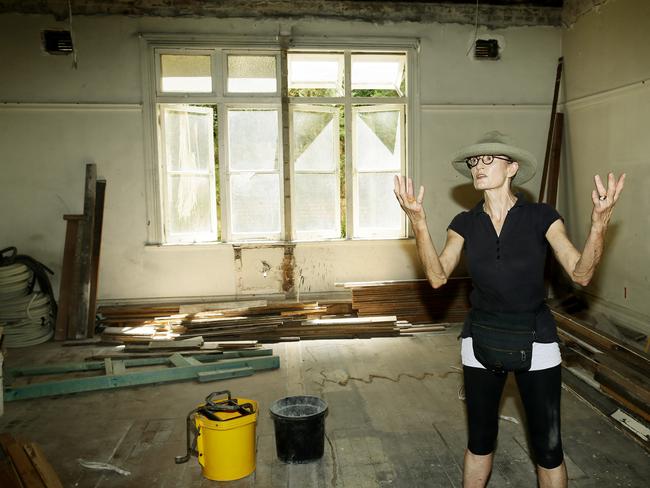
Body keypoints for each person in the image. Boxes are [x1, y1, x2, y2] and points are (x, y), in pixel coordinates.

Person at [393, 131, 625, 488]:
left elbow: (581, 273)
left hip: (536, 338)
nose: (478, 166)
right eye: (474, 161)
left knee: (548, 449)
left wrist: (599, 225)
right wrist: (419, 224)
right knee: (480, 442)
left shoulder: (541, 217)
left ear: (512, 168)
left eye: (489, 159)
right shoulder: (464, 224)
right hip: (480, 339)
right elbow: (437, 277)